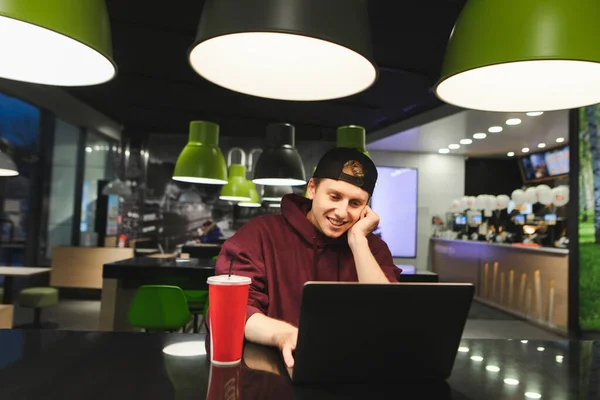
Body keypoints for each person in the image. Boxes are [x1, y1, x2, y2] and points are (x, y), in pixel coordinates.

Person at [215, 147, 401, 369]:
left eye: (355, 203)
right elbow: (234, 308)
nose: (342, 212)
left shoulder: (374, 249)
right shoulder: (259, 235)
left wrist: (358, 242)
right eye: (335, 196)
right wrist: (284, 335)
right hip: (274, 371)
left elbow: (389, 318)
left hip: (354, 372)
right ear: (312, 188)